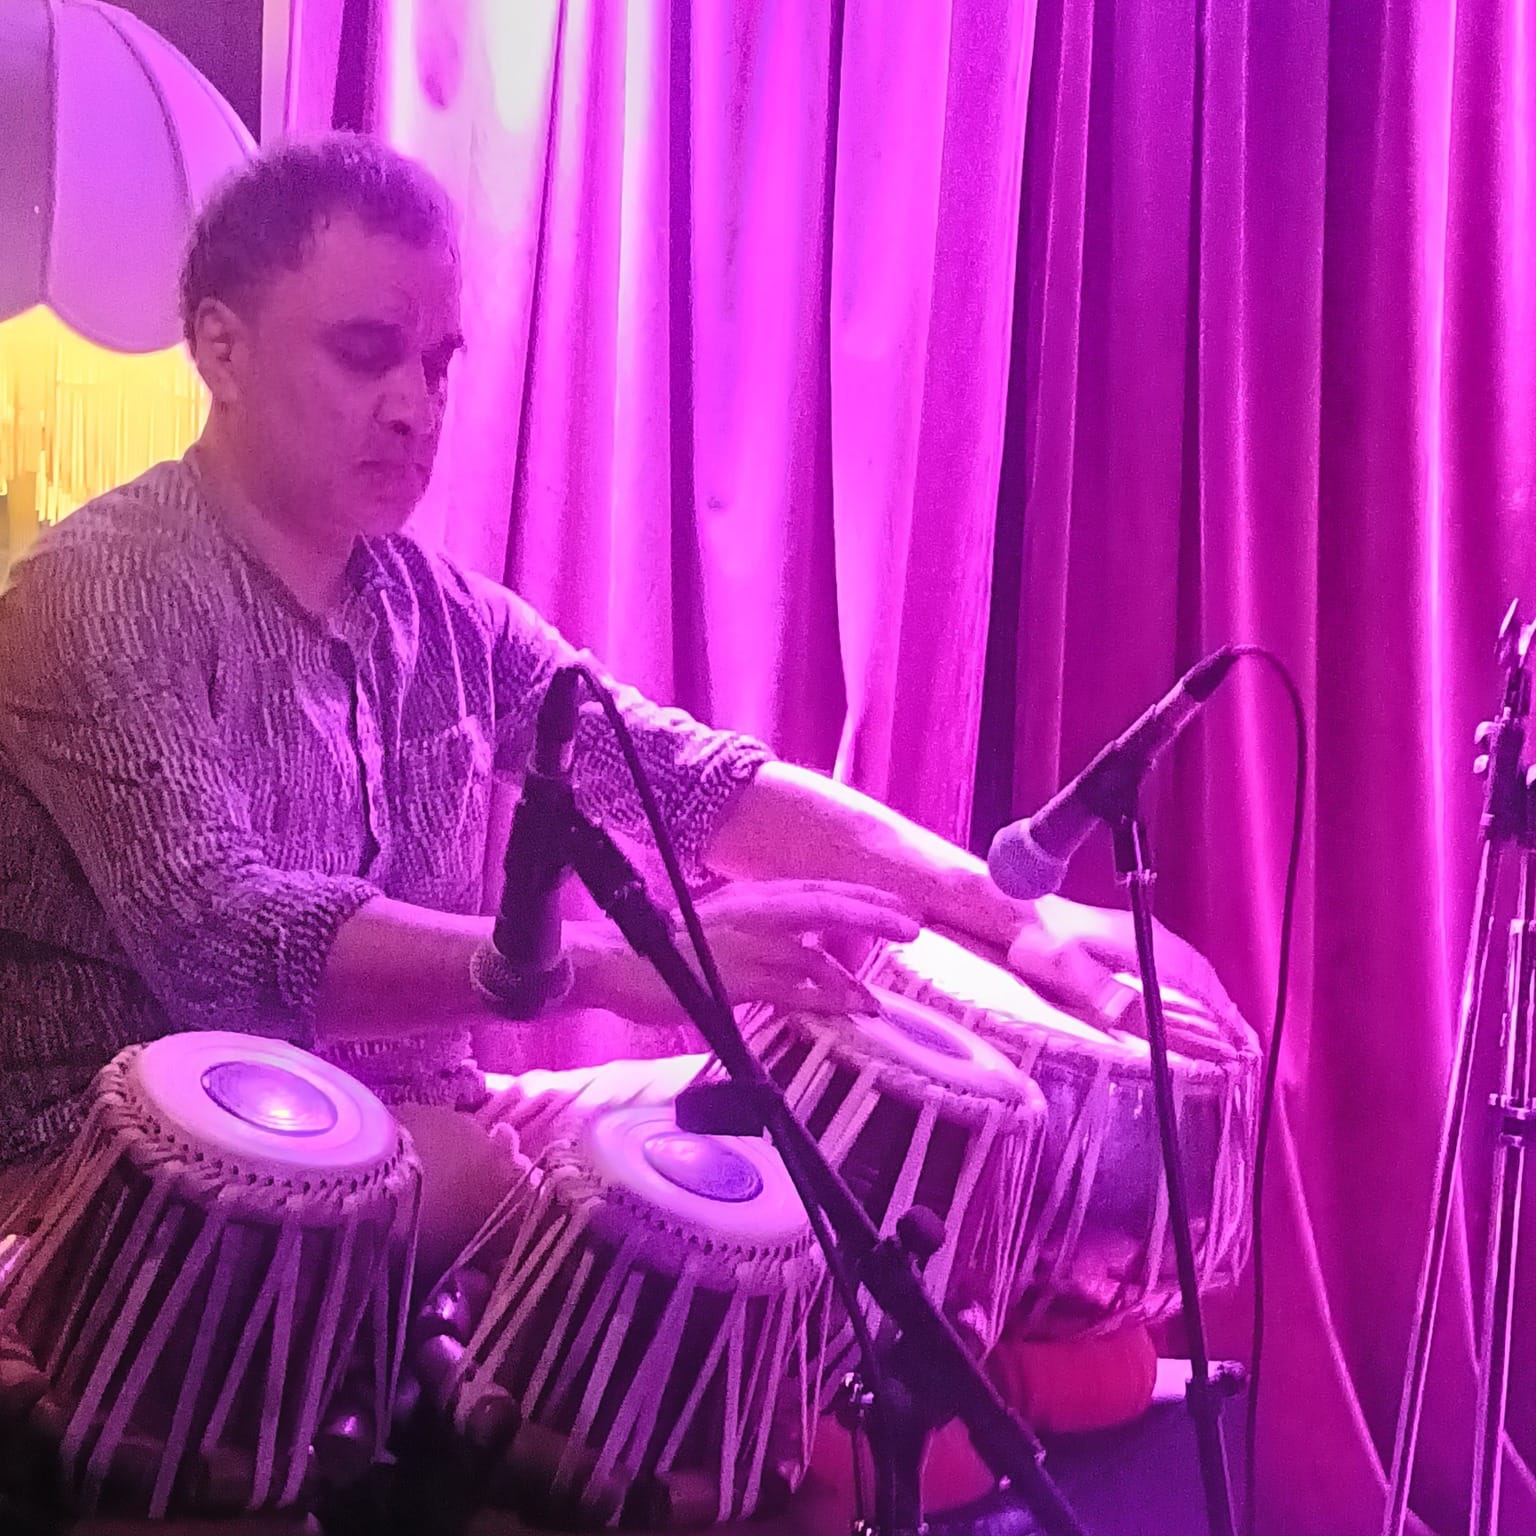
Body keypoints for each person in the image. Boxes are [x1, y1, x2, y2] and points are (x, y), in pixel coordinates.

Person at [0, 135, 1232, 1250]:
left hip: (436, 1123)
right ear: (220, 347)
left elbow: (680, 782)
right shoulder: (98, 593)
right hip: (127, 1168)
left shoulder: (445, 618)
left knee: (833, 1144)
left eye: (437, 365)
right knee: (477, 1181)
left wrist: (1007, 916)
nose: (415, 407)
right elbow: (220, 937)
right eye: (366, 353)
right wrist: (585, 965)